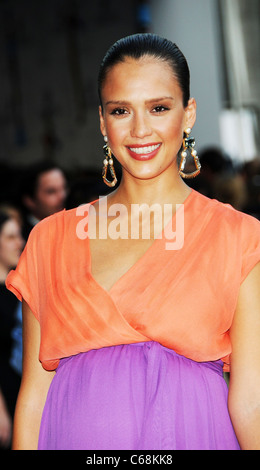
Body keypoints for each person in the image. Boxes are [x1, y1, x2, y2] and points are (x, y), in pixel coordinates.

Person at [6, 34, 260, 450]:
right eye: (121, 110)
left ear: (188, 113)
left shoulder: (239, 236)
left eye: (159, 108)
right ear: (102, 122)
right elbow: (34, 396)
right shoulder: (49, 239)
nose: (140, 129)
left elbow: (252, 399)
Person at [0, 212, 24, 448]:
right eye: (10, 237)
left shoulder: (18, 287)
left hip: (21, 390)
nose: (19, 243)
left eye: (18, 236)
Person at [19, 161, 68, 239]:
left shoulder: (75, 229)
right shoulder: (21, 239)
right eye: (51, 191)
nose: (62, 196)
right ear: (29, 200)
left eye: (64, 188)